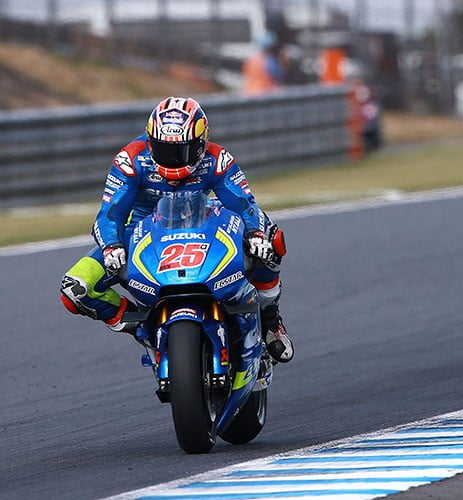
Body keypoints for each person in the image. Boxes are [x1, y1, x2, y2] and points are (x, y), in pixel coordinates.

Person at [60, 96, 294, 363]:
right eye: (162, 149)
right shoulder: (131, 159)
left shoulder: (217, 159)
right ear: (150, 140)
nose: (171, 160)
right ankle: (142, 327)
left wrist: (255, 234)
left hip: (205, 222)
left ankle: (270, 319)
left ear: (200, 144)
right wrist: (112, 245)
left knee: (269, 238)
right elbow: (110, 213)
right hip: (141, 231)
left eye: (181, 151)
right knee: (76, 287)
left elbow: (244, 204)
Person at [242, 31, 285, 96]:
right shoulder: (270, 61)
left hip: (249, 94)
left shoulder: (251, 60)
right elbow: (279, 76)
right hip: (266, 94)